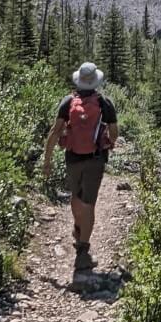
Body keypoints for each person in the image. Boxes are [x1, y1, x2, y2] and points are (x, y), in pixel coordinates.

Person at [42, 61, 119, 271]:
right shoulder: (104, 103)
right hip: (96, 157)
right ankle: (83, 249)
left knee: (75, 196)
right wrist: (110, 143)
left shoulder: (68, 102)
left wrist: (46, 161)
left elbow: (54, 132)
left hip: (72, 156)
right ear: (95, 82)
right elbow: (114, 131)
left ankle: (78, 228)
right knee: (89, 203)